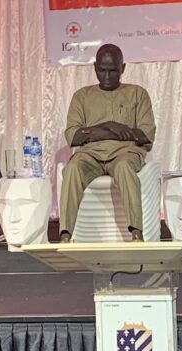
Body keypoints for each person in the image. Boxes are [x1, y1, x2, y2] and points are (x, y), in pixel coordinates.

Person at [59, 44, 155, 242]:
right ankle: (65, 235)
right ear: (95, 68)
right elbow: (74, 137)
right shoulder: (82, 96)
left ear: (123, 68)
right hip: (90, 154)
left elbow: (145, 136)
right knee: (72, 168)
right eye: (102, 70)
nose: (107, 76)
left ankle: (136, 234)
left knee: (123, 167)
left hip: (125, 153)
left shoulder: (137, 93)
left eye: (113, 70)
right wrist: (111, 127)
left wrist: (93, 132)